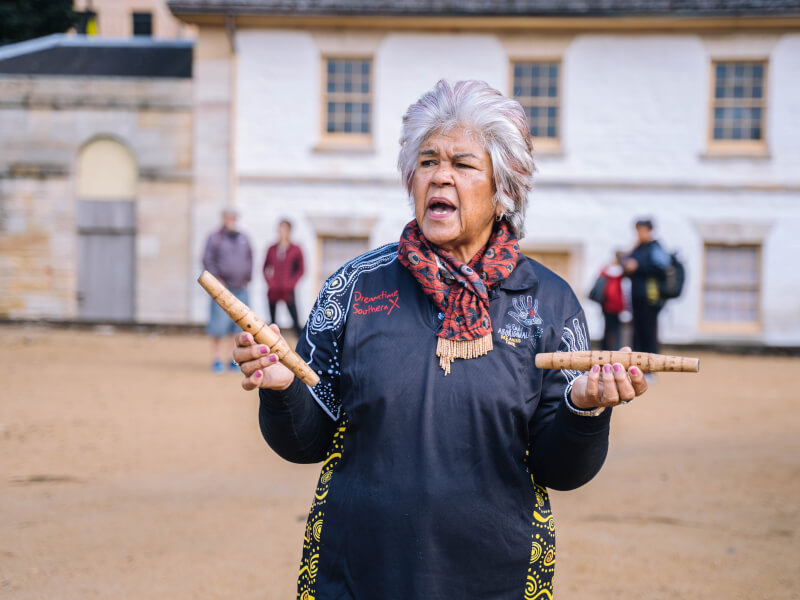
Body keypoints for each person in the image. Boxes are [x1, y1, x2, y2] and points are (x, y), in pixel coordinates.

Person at [232, 80, 650, 599]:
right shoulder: (353, 286)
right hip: (357, 573)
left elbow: (560, 470)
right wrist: (281, 389)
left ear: (504, 189)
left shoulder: (549, 299)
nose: (440, 176)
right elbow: (307, 441)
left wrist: (585, 410)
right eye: (427, 161)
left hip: (497, 576)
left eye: (463, 164)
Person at [202, 208, 253, 373]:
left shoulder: (243, 237)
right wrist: (216, 279)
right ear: (223, 218)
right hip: (222, 290)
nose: (231, 221)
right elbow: (207, 259)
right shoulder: (215, 238)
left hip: (240, 289)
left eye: (234, 218)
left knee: (237, 326)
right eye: (228, 218)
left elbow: (250, 258)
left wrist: (247, 277)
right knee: (218, 326)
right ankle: (216, 359)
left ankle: (233, 359)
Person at [623, 218, 670, 355]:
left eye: (642, 231)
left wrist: (638, 266)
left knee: (649, 330)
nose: (639, 234)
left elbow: (662, 268)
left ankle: (651, 364)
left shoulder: (655, 248)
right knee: (637, 331)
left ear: (649, 231)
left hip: (650, 295)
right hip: (636, 295)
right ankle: (638, 363)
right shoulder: (637, 248)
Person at [262, 219, 305, 336]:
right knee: (272, 324)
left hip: (288, 291)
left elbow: (301, 270)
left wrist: (291, 284)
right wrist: (270, 282)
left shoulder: (296, 249)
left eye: (284, 230)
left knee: (295, 321)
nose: (281, 232)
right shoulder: (272, 248)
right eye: (279, 229)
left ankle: (302, 347)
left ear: (289, 231)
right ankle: (271, 348)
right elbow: (265, 268)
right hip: (273, 291)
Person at [598, 251, 627, 351]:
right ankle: (615, 348)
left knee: (607, 330)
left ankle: (606, 348)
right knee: (616, 331)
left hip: (606, 305)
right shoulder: (622, 273)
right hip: (616, 306)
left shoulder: (606, 270)